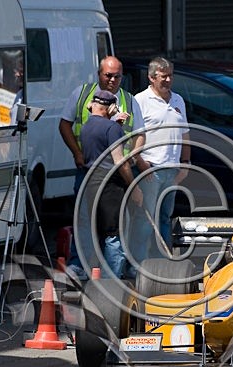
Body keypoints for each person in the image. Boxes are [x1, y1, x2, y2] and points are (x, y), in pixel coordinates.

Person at [59, 56, 147, 279]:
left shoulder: (129, 100)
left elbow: (139, 135)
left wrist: (134, 159)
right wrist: (76, 152)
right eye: (108, 75)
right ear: (99, 74)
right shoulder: (81, 94)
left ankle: (118, 265)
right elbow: (64, 124)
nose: (113, 80)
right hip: (91, 171)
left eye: (118, 76)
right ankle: (85, 265)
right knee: (91, 222)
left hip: (118, 175)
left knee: (118, 223)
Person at [131, 56, 190, 262]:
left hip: (171, 170)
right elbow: (133, 135)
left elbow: (185, 134)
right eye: (163, 76)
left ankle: (163, 261)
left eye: (170, 76)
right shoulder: (140, 100)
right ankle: (137, 263)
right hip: (150, 168)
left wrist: (186, 164)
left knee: (165, 217)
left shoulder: (178, 100)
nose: (167, 80)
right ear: (151, 78)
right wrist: (141, 163)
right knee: (145, 220)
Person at [77, 89, 140, 278]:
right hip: (111, 186)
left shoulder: (87, 126)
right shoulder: (112, 128)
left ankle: (96, 276)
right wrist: (134, 187)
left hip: (91, 183)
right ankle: (111, 279)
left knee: (99, 232)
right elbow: (119, 161)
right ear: (111, 107)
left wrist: (115, 124)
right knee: (114, 234)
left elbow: (100, 142)